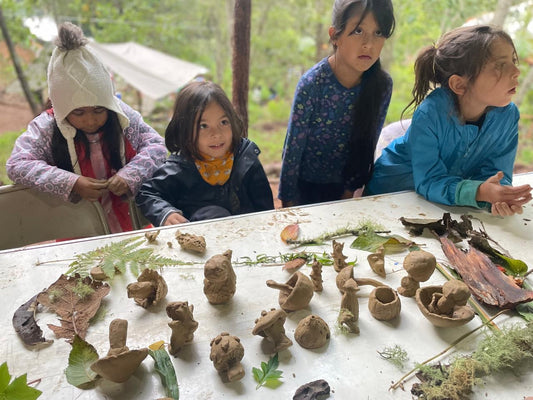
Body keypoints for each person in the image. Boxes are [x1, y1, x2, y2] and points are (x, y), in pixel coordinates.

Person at [6, 22, 167, 232]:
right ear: (61, 106)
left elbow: (157, 146)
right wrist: (71, 183)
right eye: (79, 113)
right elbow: (17, 164)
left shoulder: (121, 117)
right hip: (75, 230)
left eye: (99, 110)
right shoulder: (46, 127)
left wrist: (130, 174)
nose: (90, 120)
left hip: (129, 223)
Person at [366, 25, 532, 216]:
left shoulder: (507, 116)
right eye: (500, 65)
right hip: (389, 195)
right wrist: (479, 192)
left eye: (513, 60)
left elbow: (496, 173)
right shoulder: (431, 113)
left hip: (442, 204)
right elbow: (429, 180)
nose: (516, 71)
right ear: (459, 84)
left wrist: (499, 195)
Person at [278, 0, 395, 207]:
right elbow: (293, 149)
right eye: (358, 31)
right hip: (305, 188)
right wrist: (288, 201)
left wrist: (349, 193)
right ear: (335, 36)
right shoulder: (312, 84)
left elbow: (368, 143)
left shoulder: (382, 85)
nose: (369, 44)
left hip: (346, 188)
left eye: (378, 33)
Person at [135, 81, 274, 226]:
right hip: (200, 245)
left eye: (223, 122)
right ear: (185, 130)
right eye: (203, 126)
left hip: (249, 241)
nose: (216, 134)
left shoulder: (246, 160)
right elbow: (147, 194)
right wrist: (165, 213)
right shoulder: (179, 168)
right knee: (214, 214)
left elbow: (266, 210)